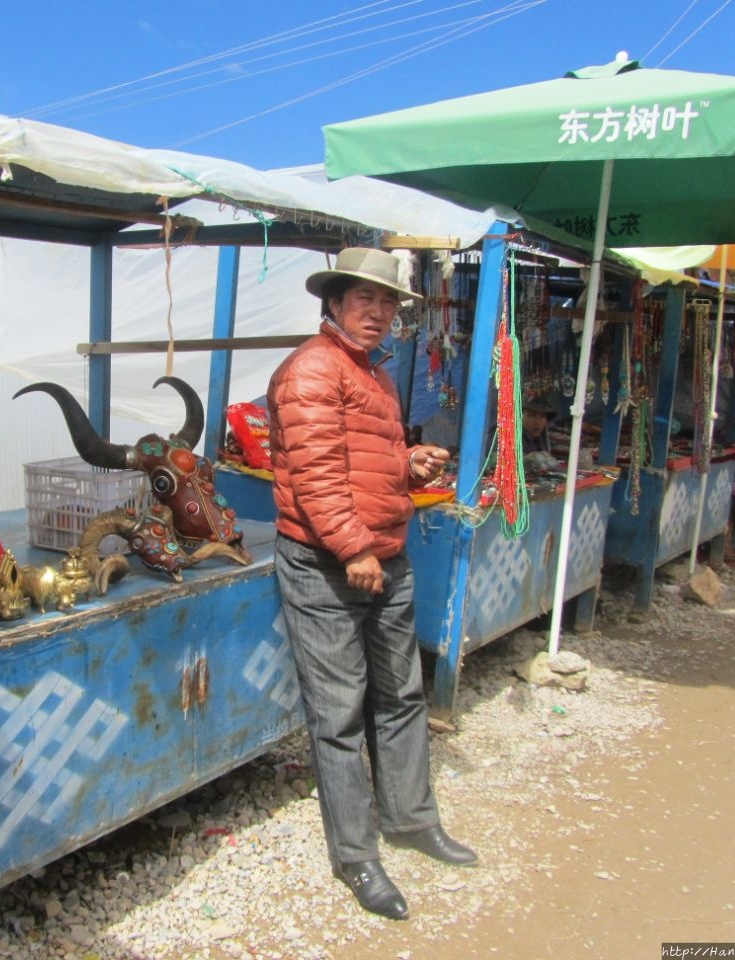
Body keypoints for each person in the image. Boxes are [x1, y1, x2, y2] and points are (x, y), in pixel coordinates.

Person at [266, 247, 476, 923]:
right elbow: (316, 476)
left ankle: (412, 819)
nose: (379, 314)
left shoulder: (372, 374)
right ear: (333, 303)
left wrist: (407, 463)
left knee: (402, 695)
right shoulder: (312, 371)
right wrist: (355, 545)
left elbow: (360, 459)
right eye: (366, 300)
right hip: (331, 563)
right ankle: (356, 855)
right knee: (339, 714)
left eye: (388, 303)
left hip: (383, 556)